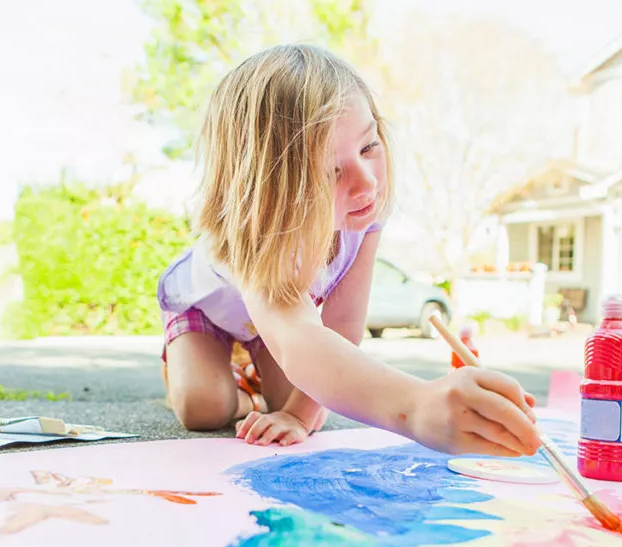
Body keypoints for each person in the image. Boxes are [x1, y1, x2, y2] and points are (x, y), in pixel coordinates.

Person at [157, 44, 540, 457]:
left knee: (316, 389)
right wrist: (416, 406)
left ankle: (255, 377)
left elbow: (340, 330)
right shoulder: (252, 232)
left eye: (368, 147)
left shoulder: (366, 211)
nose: (367, 184)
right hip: (206, 311)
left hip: (281, 321)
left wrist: (298, 416)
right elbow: (296, 339)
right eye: (328, 172)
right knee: (205, 407)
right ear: (268, 190)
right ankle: (228, 382)